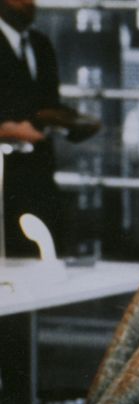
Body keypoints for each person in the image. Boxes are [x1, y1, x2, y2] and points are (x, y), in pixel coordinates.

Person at [0, 0, 99, 256]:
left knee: (44, 254)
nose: (29, 3)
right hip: (3, 178)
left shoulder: (40, 44)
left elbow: (46, 105)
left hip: (39, 175)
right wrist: (8, 132)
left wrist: (71, 123)